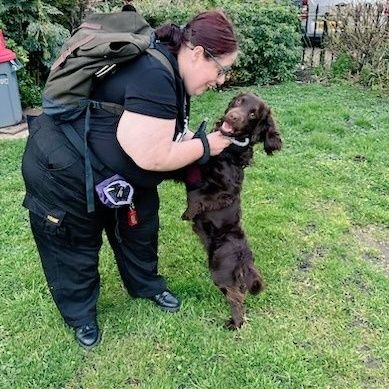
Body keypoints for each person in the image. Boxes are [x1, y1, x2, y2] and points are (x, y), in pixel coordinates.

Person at [21, 9, 238, 349]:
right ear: (197, 53)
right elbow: (153, 156)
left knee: (139, 229)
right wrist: (207, 145)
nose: (222, 80)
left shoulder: (170, 69)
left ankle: (146, 285)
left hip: (119, 176)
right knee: (73, 248)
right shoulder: (155, 75)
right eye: (221, 69)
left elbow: (161, 141)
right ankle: (80, 315)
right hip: (64, 172)